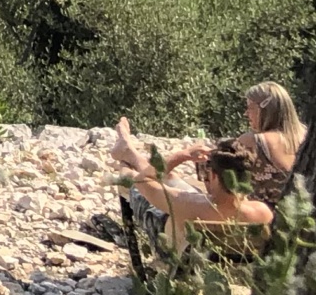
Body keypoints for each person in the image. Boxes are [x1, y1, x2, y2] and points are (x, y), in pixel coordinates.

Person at [108, 82, 304, 248]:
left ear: (264, 109)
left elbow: (215, 170)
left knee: (158, 183)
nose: (246, 113)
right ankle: (130, 153)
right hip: (272, 226)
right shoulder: (307, 138)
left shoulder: (255, 141)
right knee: (173, 180)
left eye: (250, 107)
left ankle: (128, 155)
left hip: (229, 218)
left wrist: (184, 155)